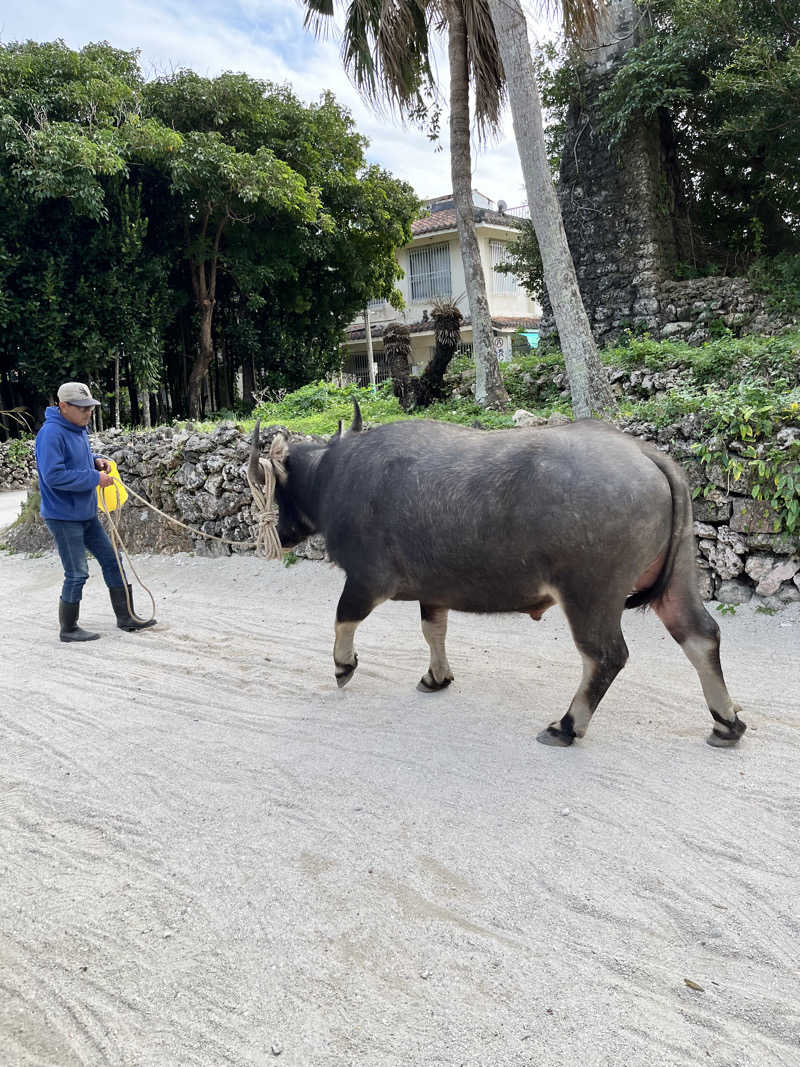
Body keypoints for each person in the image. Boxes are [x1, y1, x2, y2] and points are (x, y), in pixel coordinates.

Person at [35, 381, 157, 642]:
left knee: (113, 559)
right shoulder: (50, 433)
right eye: (82, 408)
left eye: (90, 407)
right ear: (63, 406)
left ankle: (127, 617)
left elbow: (76, 458)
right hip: (62, 515)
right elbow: (54, 475)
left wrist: (95, 460)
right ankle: (68, 629)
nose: (88, 412)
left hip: (86, 512)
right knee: (77, 572)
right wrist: (93, 478)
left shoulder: (77, 427)